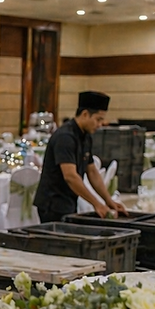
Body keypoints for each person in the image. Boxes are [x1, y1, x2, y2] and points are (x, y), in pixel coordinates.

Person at [34, 90, 128, 222]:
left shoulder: (86, 136)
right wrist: (96, 204)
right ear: (85, 114)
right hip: (53, 202)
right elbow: (70, 176)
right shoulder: (65, 137)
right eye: (98, 119)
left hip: (69, 200)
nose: (100, 124)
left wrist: (108, 200)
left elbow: (92, 171)